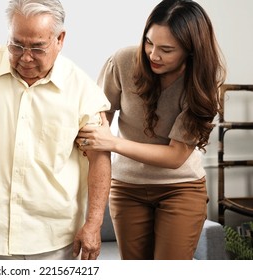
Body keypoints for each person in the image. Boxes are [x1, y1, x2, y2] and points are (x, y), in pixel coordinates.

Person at [0, 0, 111, 260]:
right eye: (16, 44)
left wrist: (94, 224)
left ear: (60, 39)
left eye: (37, 47)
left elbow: (100, 158)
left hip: (54, 235)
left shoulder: (81, 88)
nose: (25, 57)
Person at [76, 0, 226, 259]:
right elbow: (98, 122)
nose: (153, 55)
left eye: (167, 49)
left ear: (191, 51)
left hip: (180, 187)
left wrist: (113, 143)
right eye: (149, 42)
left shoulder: (201, 86)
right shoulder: (122, 62)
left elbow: (175, 157)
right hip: (127, 187)